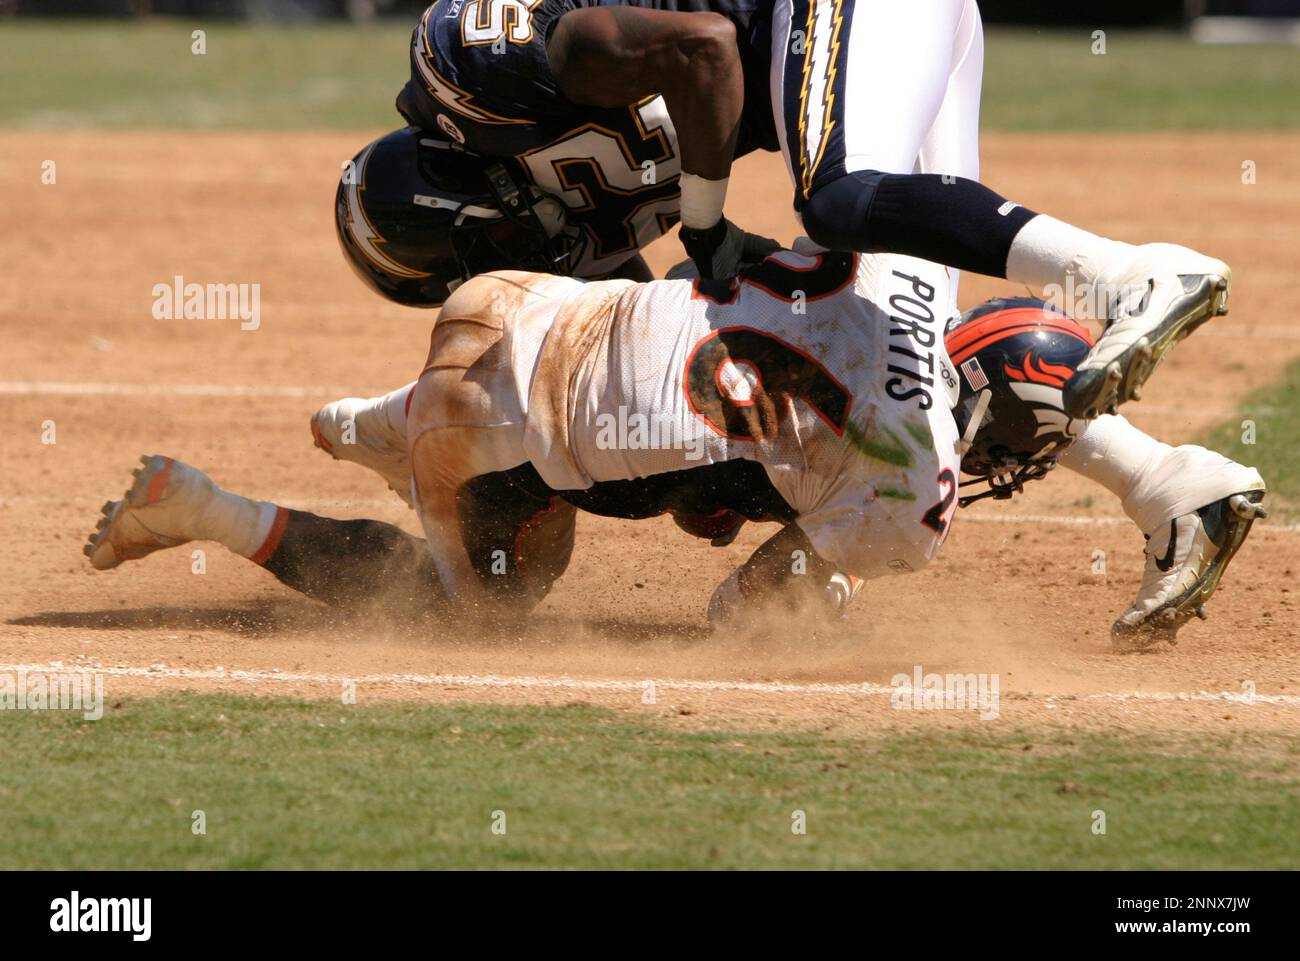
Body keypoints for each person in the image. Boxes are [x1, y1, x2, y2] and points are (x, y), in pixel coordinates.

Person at [84, 251, 1266, 647]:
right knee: (487, 603)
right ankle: (207, 511)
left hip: (519, 301)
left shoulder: (905, 267)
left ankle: (358, 425)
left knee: (567, 431)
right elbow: (741, 609)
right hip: (497, 431)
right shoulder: (914, 492)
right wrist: (816, 595)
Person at [392, 0, 1233, 421]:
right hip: (891, 25)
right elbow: (629, 327)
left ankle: (1133, 271)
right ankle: (1165, 489)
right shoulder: (531, 123)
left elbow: (709, 50)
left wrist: (708, 225)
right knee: (913, 330)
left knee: (842, 197)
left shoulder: (526, 53)